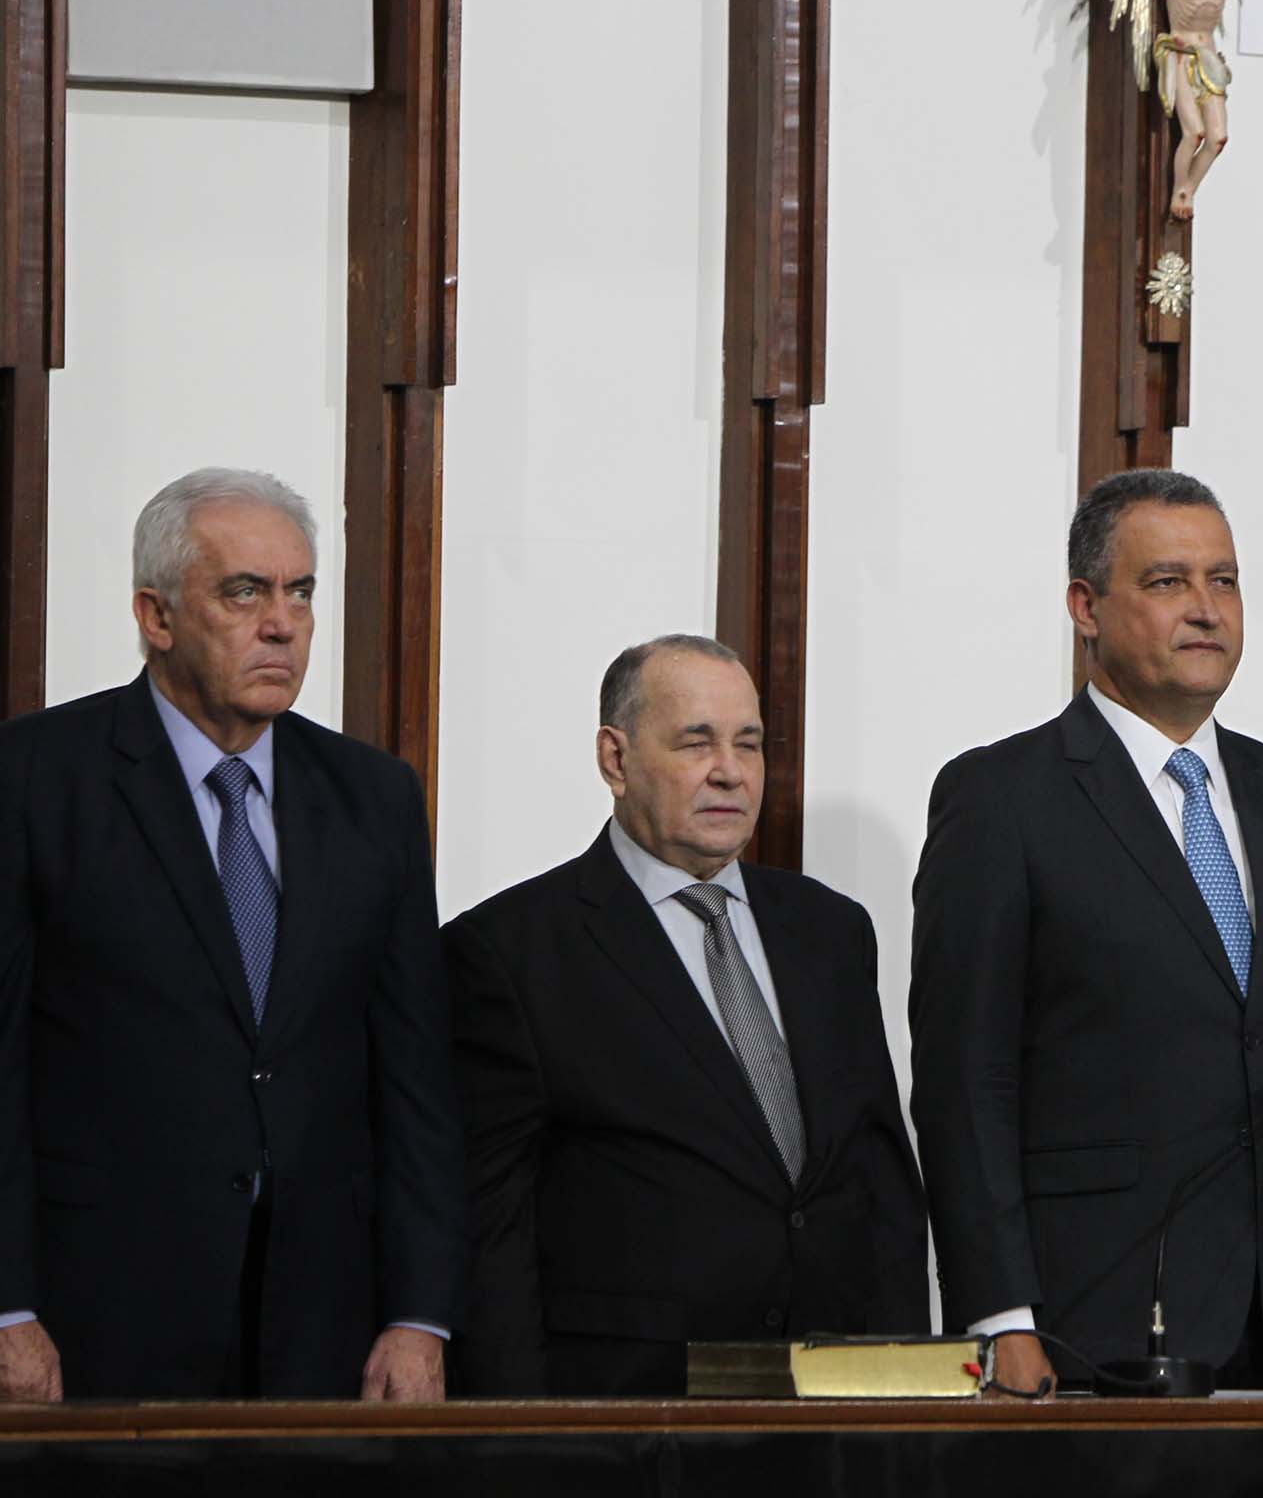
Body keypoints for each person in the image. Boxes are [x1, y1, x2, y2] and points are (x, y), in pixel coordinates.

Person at [910, 469, 1263, 1395]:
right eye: (1166, 582)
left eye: (1223, 581)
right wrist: (1000, 1315)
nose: (1205, 610)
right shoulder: (1001, 798)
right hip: (1086, 1318)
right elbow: (964, 1079)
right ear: (1086, 606)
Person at [0, 468, 462, 1401]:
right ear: (156, 615)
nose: (282, 623)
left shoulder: (375, 797)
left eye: (299, 592)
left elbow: (415, 1076)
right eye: (244, 592)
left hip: (324, 1322)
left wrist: (421, 1313)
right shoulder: (36, 778)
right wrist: (6, 1309)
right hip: (97, 1314)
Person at [444, 636, 928, 1395]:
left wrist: (907, 1383)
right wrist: (520, 1435)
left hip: (833, 1403)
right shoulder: (510, 950)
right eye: (696, 742)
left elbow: (880, 1179)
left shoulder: (831, 930)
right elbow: (490, 1229)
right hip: (629, 1405)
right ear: (616, 758)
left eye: (748, 744)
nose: (730, 771)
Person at [1130, 0, 1256, 218]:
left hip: (1209, 57)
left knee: (1217, 138)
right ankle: (1179, 192)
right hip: (1180, 52)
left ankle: (1189, 189)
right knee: (1194, 132)